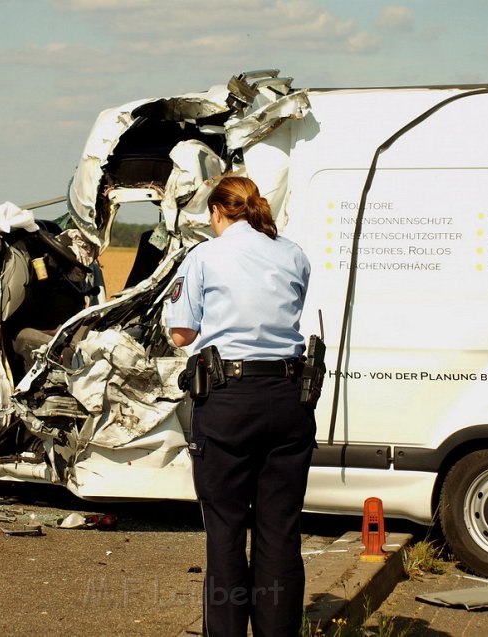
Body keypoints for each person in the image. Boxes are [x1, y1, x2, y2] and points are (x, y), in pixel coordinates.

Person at [164, 175, 315, 637]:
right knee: (280, 533)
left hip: (229, 399)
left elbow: (180, 334)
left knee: (227, 532)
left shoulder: (205, 256)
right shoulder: (293, 254)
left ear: (216, 212)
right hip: (289, 398)